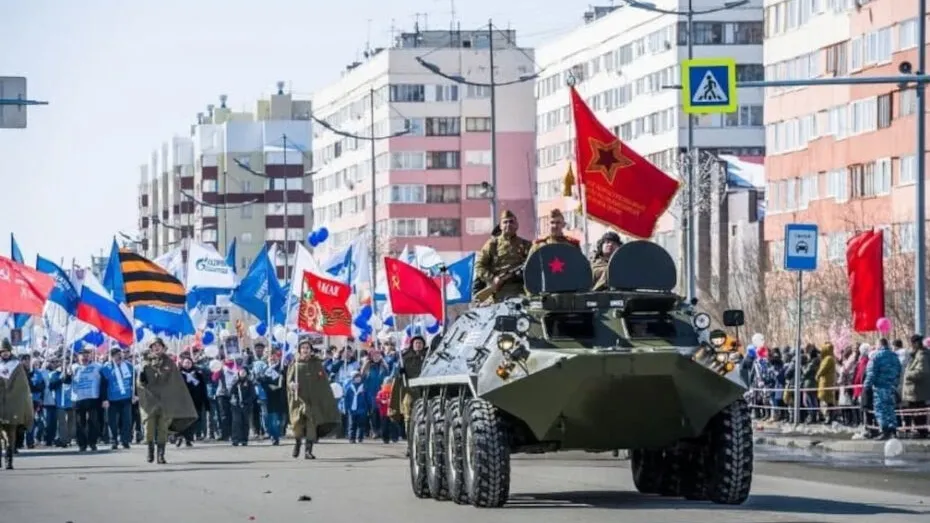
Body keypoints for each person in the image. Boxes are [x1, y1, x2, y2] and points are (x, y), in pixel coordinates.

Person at [138, 338, 198, 464]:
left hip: (166, 402)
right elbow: (140, 385)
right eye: (154, 346)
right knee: (149, 429)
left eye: (158, 345)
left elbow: (175, 383)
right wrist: (141, 379)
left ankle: (161, 455)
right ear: (151, 348)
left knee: (162, 430)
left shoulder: (169, 363)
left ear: (163, 347)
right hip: (150, 402)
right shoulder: (144, 363)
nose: (156, 348)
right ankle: (150, 450)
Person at [287, 338, 341, 460]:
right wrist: (292, 385)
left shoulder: (317, 364)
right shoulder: (294, 364)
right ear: (299, 350)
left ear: (311, 350)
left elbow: (323, 382)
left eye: (307, 348)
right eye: (303, 348)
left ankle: (308, 451)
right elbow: (289, 381)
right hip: (299, 400)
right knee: (297, 424)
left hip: (313, 402)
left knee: (311, 424)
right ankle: (297, 443)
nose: (305, 350)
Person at [473, 209, 532, 303]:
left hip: (520, 291)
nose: (508, 224)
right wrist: (493, 278)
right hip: (498, 292)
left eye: (511, 222)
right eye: (505, 222)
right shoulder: (492, 244)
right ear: (500, 226)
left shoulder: (526, 245)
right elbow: (479, 266)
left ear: (517, 225)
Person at [63, 348, 108, 453]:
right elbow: (66, 382)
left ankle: (92, 442)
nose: (84, 357)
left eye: (86, 355)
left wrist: (104, 398)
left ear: (90, 356)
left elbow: (104, 382)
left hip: (93, 398)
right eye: (82, 355)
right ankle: (82, 444)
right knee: (80, 423)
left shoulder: (97, 366)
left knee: (93, 421)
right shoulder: (73, 367)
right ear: (78, 357)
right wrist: (68, 374)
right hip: (78, 399)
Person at [389, 335, 426, 457]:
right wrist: (400, 371)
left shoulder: (428, 357)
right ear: (412, 344)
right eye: (416, 343)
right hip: (409, 390)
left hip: (424, 390)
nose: (418, 345)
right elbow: (396, 374)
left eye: (420, 343)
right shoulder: (405, 357)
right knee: (409, 418)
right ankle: (410, 446)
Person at [0, 340, 34, 470]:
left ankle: (9, 460)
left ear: (10, 352)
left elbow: (22, 387)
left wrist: (9, 393)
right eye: (3, 352)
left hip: (12, 405)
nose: (5, 354)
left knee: (10, 434)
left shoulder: (17, 366)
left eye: (7, 351)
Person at [864, 337, 904, 440]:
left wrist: (866, 387)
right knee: (890, 408)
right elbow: (899, 371)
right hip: (891, 387)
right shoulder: (895, 356)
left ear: (880, 344)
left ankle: (885, 431)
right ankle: (893, 430)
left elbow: (871, 373)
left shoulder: (876, 356)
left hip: (880, 387)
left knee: (880, 409)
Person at [102, 348, 134, 450]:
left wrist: (135, 394)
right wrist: (104, 399)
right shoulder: (106, 368)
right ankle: (114, 440)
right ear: (111, 357)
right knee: (112, 422)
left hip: (126, 398)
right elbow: (103, 385)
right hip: (113, 399)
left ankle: (125, 440)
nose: (118, 357)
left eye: (119, 354)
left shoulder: (129, 366)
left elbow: (134, 382)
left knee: (127, 421)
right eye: (115, 355)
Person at [901, 335, 929, 438]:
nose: (911, 345)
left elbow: (921, 372)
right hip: (913, 391)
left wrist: (907, 374)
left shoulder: (922, 355)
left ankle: (922, 432)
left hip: (917, 391)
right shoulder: (915, 355)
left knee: (918, 413)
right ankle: (920, 431)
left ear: (916, 343)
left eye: (912, 343)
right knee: (914, 412)